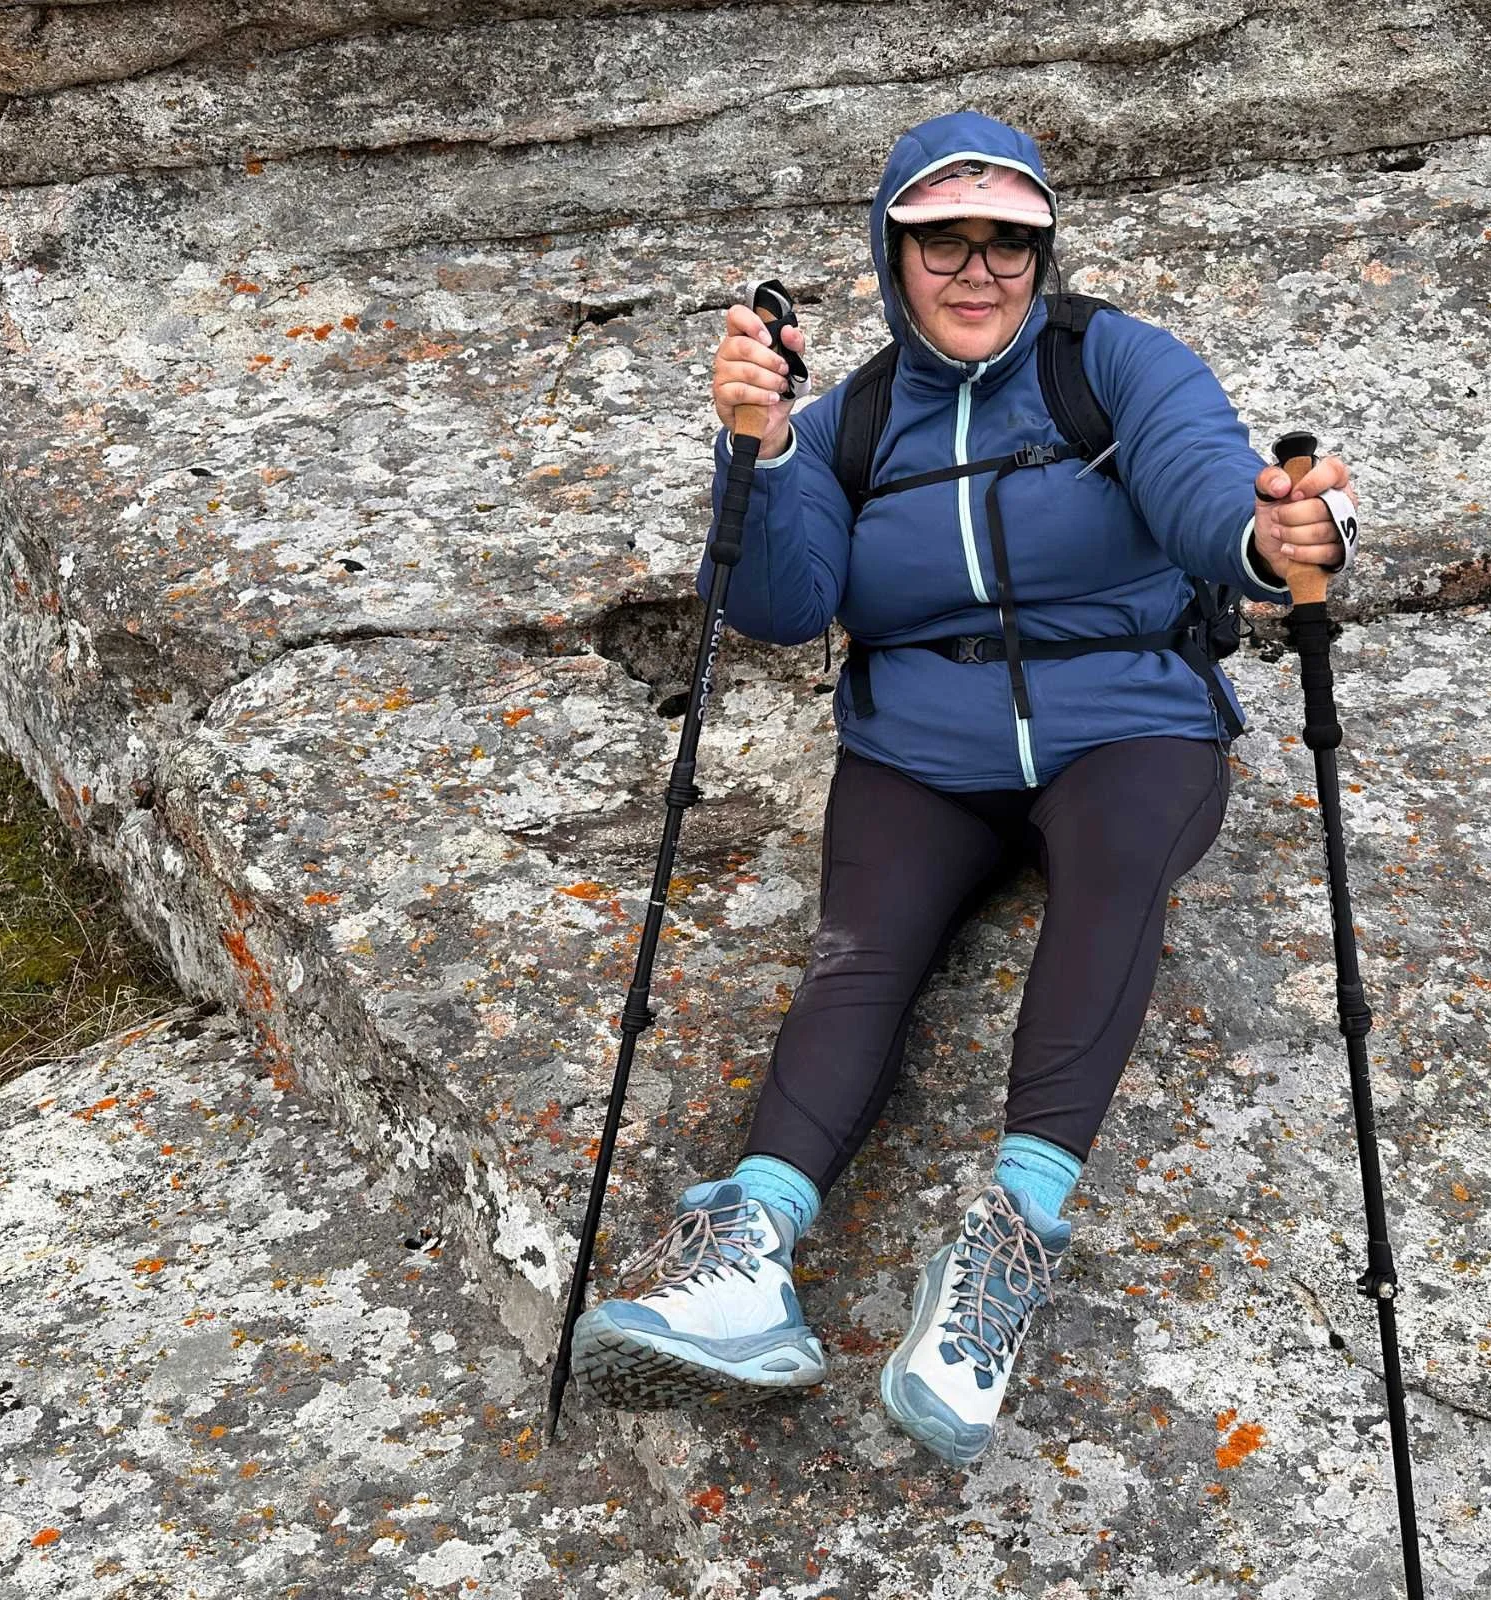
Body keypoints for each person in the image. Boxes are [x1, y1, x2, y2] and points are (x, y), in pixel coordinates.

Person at [567, 110, 1355, 1465]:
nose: (979, 268)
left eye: (1009, 241)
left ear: (1044, 252)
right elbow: (778, 603)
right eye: (944, 239)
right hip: (920, 747)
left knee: (1114, 884)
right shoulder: (852, 420)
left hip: (1129, 723)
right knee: (857, 956)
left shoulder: (1118, 365)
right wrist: (756, 450)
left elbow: (1204, 497)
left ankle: (1004, 1249)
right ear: (895, 252)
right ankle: (745, 1260)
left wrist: (1270, 531)